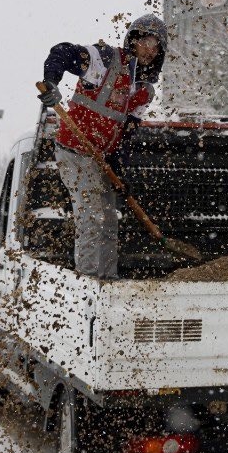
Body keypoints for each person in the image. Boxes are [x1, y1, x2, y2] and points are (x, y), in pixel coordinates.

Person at [39, 14, 166, 278]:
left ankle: (108, 280)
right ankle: (87, 281)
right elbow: (61, 52)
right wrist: (51, 82)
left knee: (109, 222)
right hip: (74, 151)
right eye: (145, 40)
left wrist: (119, 170)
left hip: (101, 158)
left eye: (156, 45)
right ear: (133, 40)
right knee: (91, 216)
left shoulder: (145, 91)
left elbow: (126, 134)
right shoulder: (105, 60)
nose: (149, 49)